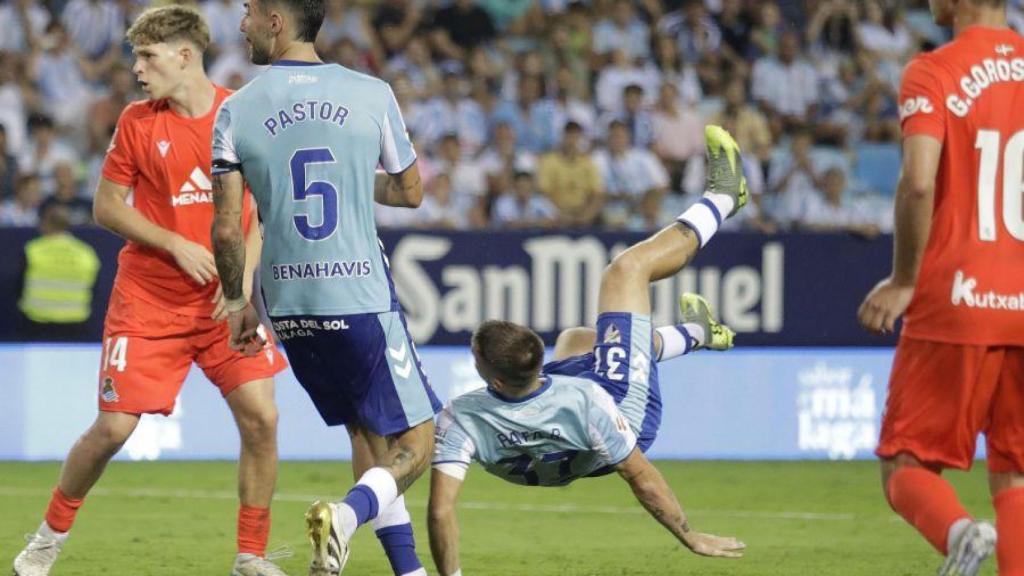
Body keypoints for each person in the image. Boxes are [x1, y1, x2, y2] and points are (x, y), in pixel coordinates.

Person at [12, 7, 289, 576]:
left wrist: (240, 286)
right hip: (149, 299)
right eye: (136, 56)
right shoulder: (138, 122)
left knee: (262, 417)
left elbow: (262, 212)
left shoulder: (240, 113)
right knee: (114, 428)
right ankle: (47, 538)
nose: (137, 68)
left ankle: (250, 555)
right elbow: (106, 205)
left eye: (147, 57)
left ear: (185, 56)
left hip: (222, 306)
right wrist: (173, 243)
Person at [427, 126, 749, 576]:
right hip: (624, 411)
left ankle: (695, 333)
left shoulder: (461, 418)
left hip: (569, 458)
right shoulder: (586, 400)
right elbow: (640, 475)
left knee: (580, 341)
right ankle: (725, 198)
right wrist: (689, 534)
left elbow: (441, 512)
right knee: (627, 270)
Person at [211, 2, 439, 575]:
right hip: (359, 296)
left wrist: (239, 305)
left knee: (365, 433)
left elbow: (225, 226)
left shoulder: (235, 110)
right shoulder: (371, 92)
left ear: (277, 23)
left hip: (288, 308)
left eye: (250, 14)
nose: (242, 25)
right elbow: (412, 192)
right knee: (422, 439)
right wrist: (352, 174)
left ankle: (407, 572)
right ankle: (347, 515)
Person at [857, 1, 1024, 575]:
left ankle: (960, 535)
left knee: (904, 463)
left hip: (960, 296)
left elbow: (920, 182)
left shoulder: (935, 69)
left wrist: (905, 279)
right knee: (1015, 466)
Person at [17, 203, 100, 341]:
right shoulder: (86, 253)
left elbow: (19, 286)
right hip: (76, 325)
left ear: (45, 224)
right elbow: (94, 289)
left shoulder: (33, 250)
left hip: (37, 324)